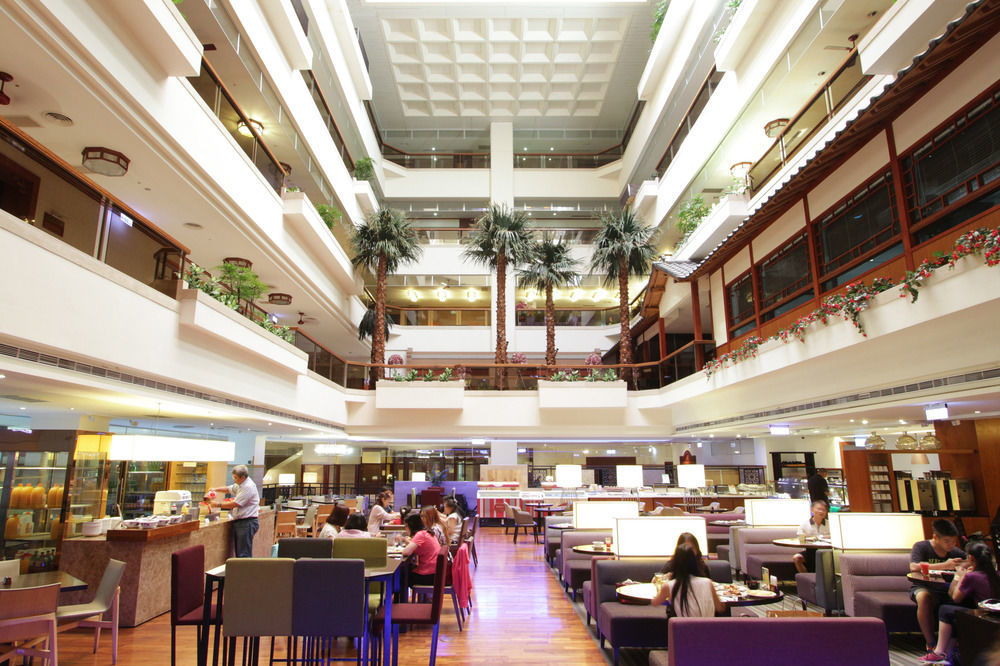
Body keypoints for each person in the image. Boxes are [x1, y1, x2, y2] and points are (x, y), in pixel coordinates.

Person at [919, 542, 1000, 664]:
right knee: (954, 614)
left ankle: (939, 651)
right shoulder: (996, 574)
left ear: (971, 558)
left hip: (980, 617)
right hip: (993, 615)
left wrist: (959, 576)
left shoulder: (972, 576)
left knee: (945, 609)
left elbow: (955, 597)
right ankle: (948, 655)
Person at [910, 519, 967, 652]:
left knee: (961, 597)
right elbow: (914, 567)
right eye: (947, 541)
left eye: (953, 541)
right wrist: (945, 565)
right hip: (923, 586)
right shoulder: (922, 547)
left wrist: (964, 565)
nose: (951, 545)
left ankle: (956, 643)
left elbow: (969, 560)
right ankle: (931, 643)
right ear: (935, 537)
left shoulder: (955, 552)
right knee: (924, 597)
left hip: (945, 589)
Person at [651, 543, 725, 617]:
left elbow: (655, 603)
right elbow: (720, 608)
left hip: (683, 627)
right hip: (709, 627)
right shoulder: (708, 583)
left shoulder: (669, 585)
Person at [207, 465, 259, 558]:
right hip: (242, 523)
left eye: (235, 478)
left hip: (247, 523)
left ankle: (244, 572)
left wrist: (218, 504)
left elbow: (235, 504)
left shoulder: (247, 487)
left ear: (242, 477)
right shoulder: (240, 484)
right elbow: (229, 489)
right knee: (240, 552)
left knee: (243, 554)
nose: (234, 479)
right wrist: (215, 489)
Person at [401, 512, 440, 588]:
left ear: (412, 526)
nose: (405, 528)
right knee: (407, 569)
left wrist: (406, 542)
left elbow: (406, 552)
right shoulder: (426, 532)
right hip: (435, 572)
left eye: (406, 526)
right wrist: (408, 541)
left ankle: (399, 599)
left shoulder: (420, 535)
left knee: (401, 574)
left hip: (428, 575)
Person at [793, 500, 830, 574]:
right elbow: (800, 537)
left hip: (826, 551)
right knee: (796, 558)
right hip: (810, 551)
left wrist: (824, 537)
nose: (821, 512)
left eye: (823, 510)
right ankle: (807, 578)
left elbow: (835, 536)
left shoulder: (830, 524)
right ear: (812, 509)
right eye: (819, 509)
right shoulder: (805, 524)